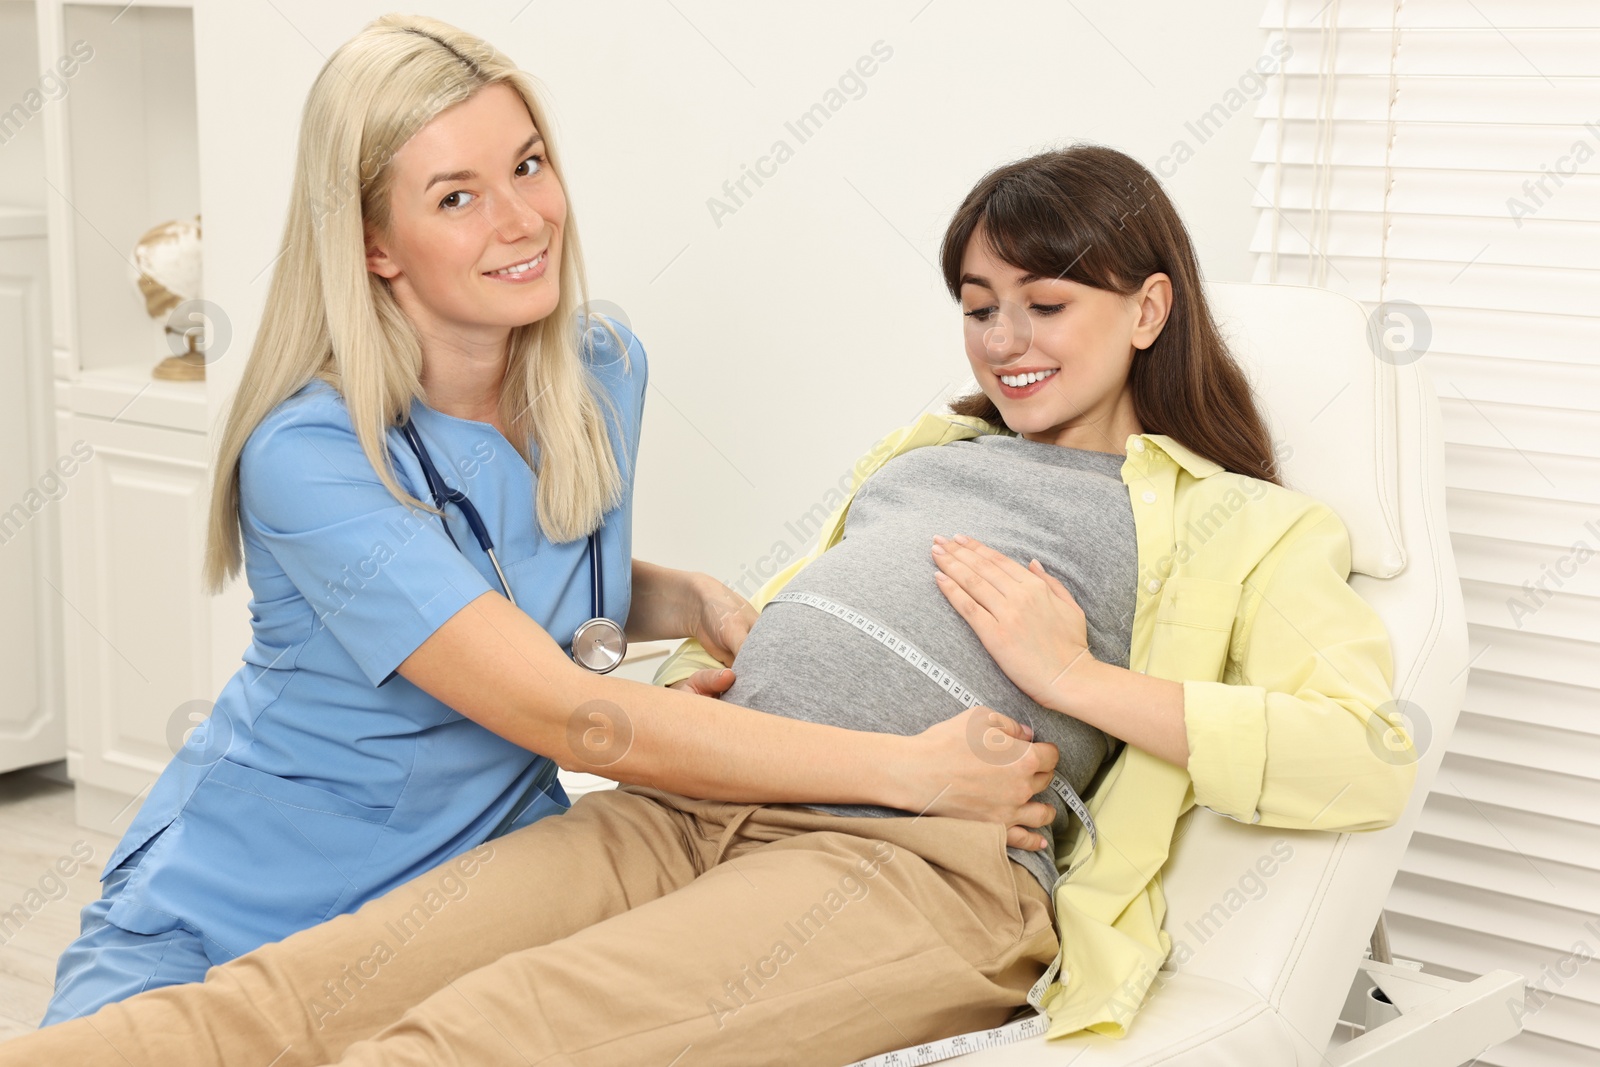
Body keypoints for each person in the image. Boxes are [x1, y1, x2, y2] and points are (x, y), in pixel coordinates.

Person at [2, 138, 1419, 1065]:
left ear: (1151, 310)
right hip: (686, 809)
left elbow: (1365, 752)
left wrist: (1081, 675)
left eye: (1047, 303)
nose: (1006, 340)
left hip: (909, 869)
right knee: (285, 997)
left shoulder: (1246, 522)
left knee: (464, 1042)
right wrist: (708, 647)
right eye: (980, 303)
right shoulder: (934, 448)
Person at [36, 13, 1057, 1028]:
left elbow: (521, 566)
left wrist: (681, 594)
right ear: (373, 245)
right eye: (456, 197)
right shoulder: (309, 454)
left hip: (484, 884)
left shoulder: (602, 366)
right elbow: (572, 716)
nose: (522, 221)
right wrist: (914, 773)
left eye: (528, 165)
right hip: (245, 913)